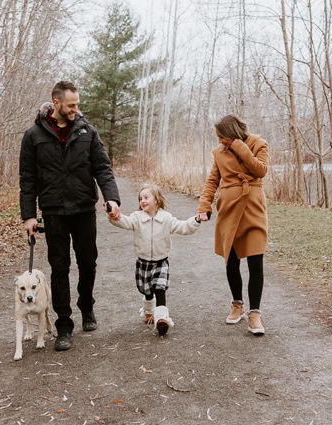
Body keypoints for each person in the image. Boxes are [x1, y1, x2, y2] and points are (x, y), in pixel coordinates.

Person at [19, 80, 121, 351]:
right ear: (56, 104)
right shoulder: (33, 136)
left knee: (88, 262)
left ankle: (86, 305)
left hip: (84, 208)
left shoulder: (87, 131)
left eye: (78, 104)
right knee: (59, 267)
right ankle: (64, 324)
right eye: (72, 105)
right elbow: (27, 179)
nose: (77, 109)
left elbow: (103, 168)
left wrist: (111, 197)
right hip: (53, 211)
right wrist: (29, 215)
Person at [196, 115, 269, 335]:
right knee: (232, 260)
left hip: (253, 207)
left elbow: (260, 170)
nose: (220, 141)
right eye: (218, 138)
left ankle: (254, 313)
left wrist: (239, 147)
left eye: (223, 137)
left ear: (233, 133)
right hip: (228, 209)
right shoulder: (219, 152)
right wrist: (204, 206)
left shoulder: (259, 144)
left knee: (256, 261)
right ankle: (237, 304)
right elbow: (212, 181)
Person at [108, 184, 201, 335]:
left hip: (160, 261)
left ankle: (162, 319)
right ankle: (149, 311)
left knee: (160, 288)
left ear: (157, 200)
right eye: (140, 198)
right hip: (143, 261)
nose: (142, 201)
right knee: (146, 290)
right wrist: (113, 215)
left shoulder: (166, 218)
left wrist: (195, 220)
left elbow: (183, 227)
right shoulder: (137, 218)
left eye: (146, 197)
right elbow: (124, 221)